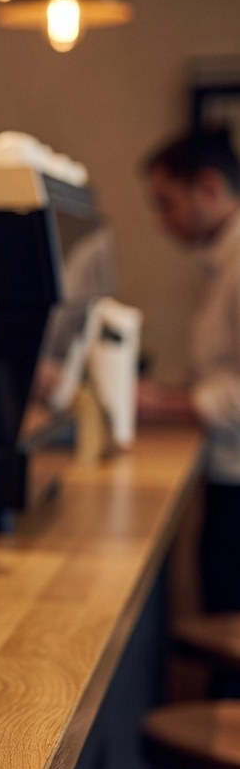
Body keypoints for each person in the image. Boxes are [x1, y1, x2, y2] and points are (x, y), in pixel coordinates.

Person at [138, 126, 240, 612]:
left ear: (209, 187)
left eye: (166, 202)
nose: (161, 222)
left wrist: (161, 403)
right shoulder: (222, 258)